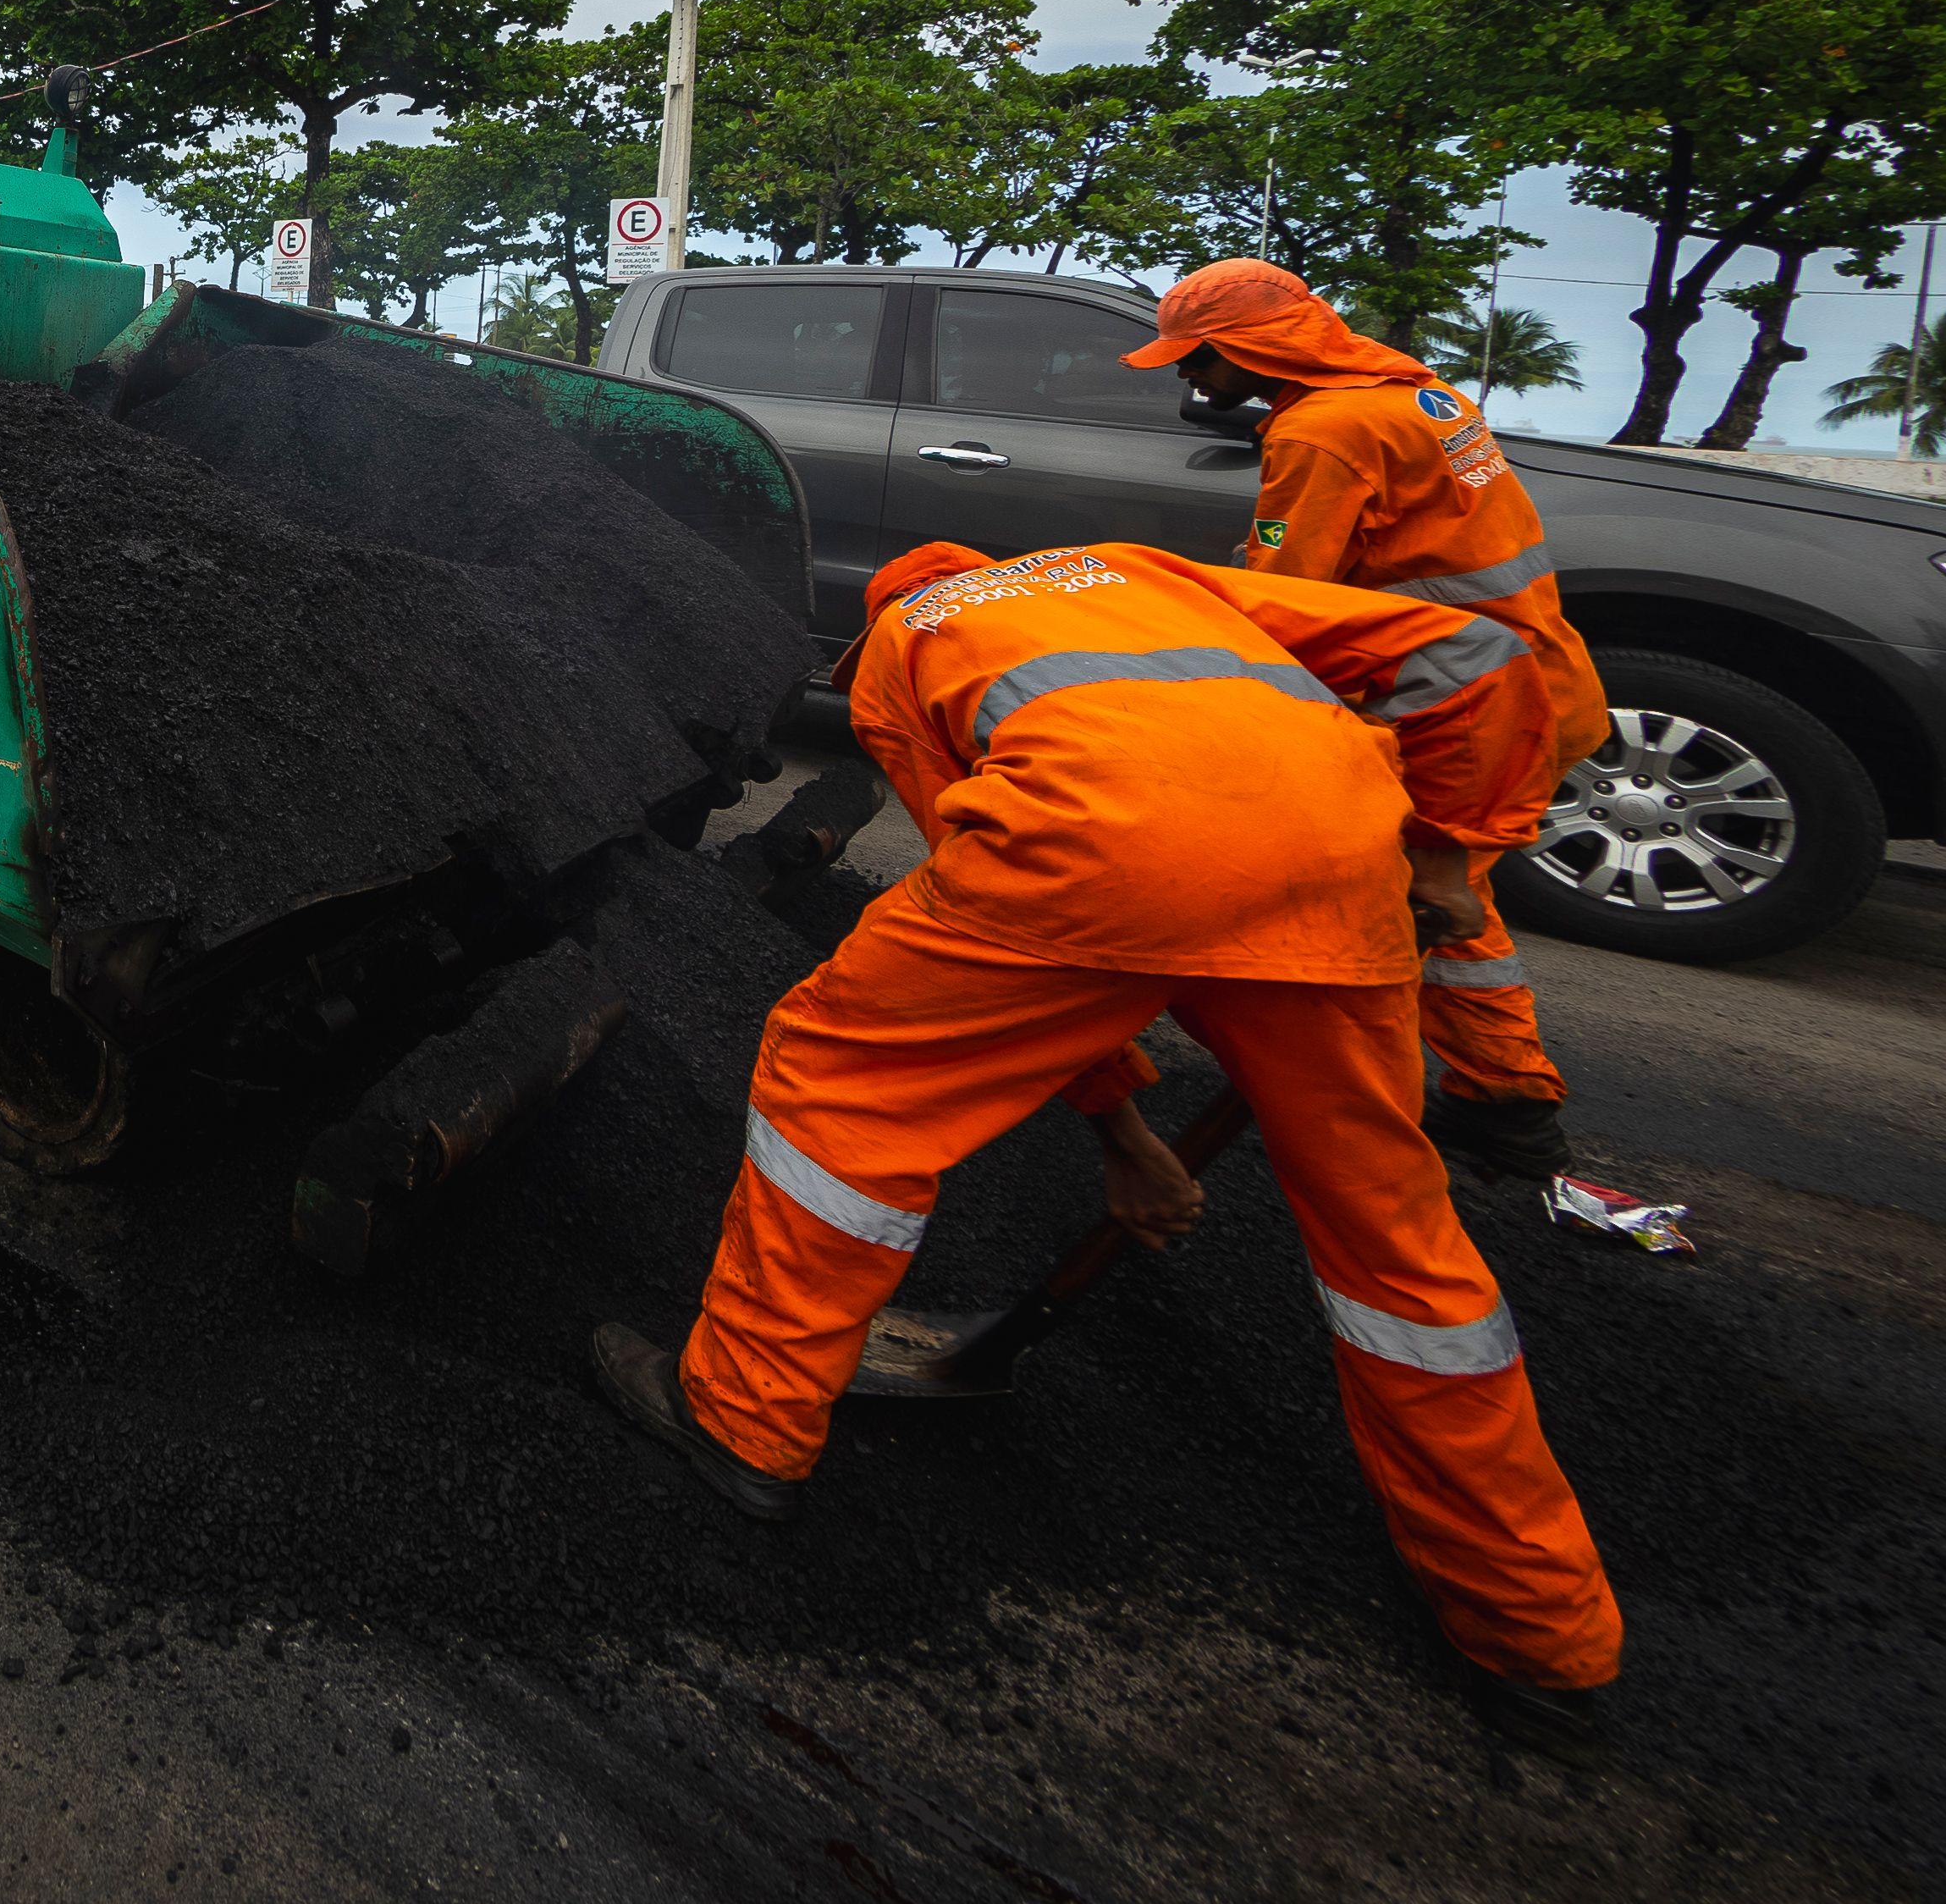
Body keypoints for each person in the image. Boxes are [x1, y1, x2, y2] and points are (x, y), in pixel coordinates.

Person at [590, 538, 1618, 1759]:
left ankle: (746, 1421)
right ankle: (1537, 1634)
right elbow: (1482, 653)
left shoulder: (902, 656)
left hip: (1105, 853)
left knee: (841, 1080)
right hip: (1340, 862)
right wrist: (1446, 846)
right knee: (1395, 1248)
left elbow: (1013, 905)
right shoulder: (1142, 572)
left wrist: (1119, 1128)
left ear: (885, 611)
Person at [1125, 260, 1607, 1184]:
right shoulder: (1419, 397)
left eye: (1198, 358)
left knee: (1433, 898)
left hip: (1462, 705)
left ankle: (1503, 1106)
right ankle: (1492, 1093)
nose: (1188, 377)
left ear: (1250, 347)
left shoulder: (1324, 434)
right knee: (1438, 893)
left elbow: (1289, 599)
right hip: (1533, 676)